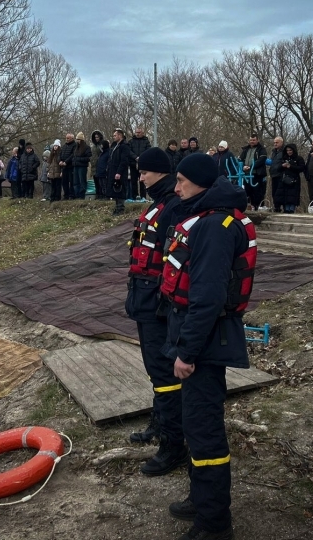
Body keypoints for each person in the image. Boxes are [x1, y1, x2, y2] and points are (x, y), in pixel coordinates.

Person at [161, 153, 257, 540]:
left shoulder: (216, 226)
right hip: (198, 333)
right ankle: (201, 500)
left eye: (182, 180)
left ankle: (215, 524)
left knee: (205, 431)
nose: (176, 187)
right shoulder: (207, 217)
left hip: (205, 340)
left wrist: (187, 353)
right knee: (195, 423)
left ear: (201, 183)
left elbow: (208, 297)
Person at [125, 148, 186, 475]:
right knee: (155, 370)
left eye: (144, 172)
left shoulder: (173, 208)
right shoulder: (157, 204)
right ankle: (159, 423)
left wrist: (165, 302)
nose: (140, 176)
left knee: (164, 374)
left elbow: (175, 261)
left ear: (158, 172)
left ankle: (173, 445)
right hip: (143, 299)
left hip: (158, 305)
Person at [238, 134, 268, 210]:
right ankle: (248, 207)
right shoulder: (245, 149)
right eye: (251, 140)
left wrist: (251, 167)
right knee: (247, 191)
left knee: (258, 192)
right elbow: (240, 159)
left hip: (257, 174)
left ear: (257, 140)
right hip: (246, 174)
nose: (252, 141)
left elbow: (261, 160)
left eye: (254, 140)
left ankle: (257, 207)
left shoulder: (261, 149)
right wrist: (243, 166)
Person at [107, 128, 133, 216]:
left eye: (115, 135)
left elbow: (124, 160)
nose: (113, 137)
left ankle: (120, 208)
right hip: (113, 170)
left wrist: (119, 172)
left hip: (120, 172)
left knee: (120, 190)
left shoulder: (124, 146)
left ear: (120, 135)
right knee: (115, 190)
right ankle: (117, 207)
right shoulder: (116, 146)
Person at [272, 143, 304, 214]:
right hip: (284, 180)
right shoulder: (284, 158)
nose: (289, 152)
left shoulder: (299, 158)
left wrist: (291, 166)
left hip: (294, 180)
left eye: (290, 150)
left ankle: (291, 209)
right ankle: (285, 208)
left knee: (292, 196)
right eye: (287, 150)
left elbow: (302, 168)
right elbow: (278, 169)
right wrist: (282, 166)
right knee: (284, 195)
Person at [129, 127, 153, 200]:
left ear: (142, 133)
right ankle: (134, 196)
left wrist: (141, 158)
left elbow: (148, 150)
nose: (138, 134)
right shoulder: (131, 141)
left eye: (139, 132)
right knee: (133, 181)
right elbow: (129, 151)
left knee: (142, 181)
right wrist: (135, 157)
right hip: (133, 163)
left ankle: (143, 197)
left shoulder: (146, 141)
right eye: (136, 132)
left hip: (142, 165)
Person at [72, 132, 92, 199]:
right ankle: (77, 195)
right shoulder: (76, 148)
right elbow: (74, 157)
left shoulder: (87, 148)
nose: (77, 141)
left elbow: (88, 158)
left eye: (78, 139)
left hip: (82, 167)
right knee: (76, 182)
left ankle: (81, 195)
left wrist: (78, 159)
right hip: (76, 167)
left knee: (82, 181)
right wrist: (74, 161)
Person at [267, 137, 285, 212]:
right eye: (274, 142)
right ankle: (276, 206)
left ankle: (282, 206)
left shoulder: (284, 152)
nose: (275, 144)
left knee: (280, 192)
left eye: (277, 142)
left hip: (281, 174)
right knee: (274, 192)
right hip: (273, 174)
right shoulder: (273, 152)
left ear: (281, 143)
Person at [59, 133, 76, 200]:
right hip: (64, 167)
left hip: (70, 166)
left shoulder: (74, 145)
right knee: (64, 182)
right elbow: (61, 154)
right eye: (66, 138)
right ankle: (66, 195)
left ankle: (72, 195)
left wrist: (66, 162)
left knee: (71, 182)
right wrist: (60, 161)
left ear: (72, 138)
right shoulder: (64, 146)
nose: (66, 139)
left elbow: (73, 155)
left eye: (68, 138)